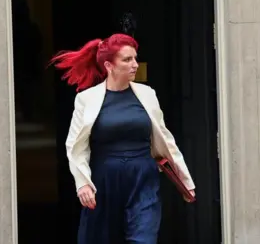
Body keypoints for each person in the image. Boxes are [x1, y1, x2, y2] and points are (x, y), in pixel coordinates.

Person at [50, 33, 196, 244]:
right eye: (127, 60)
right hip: (104, 180)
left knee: (143, 239)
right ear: (109, 65)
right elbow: (75, 146)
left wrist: (185, 180)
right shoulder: (86, 99)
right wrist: (83, 184)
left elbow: (165, 138)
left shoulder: (147, 94)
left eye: (135, 58)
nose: (135, 64)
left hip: (143, 178)